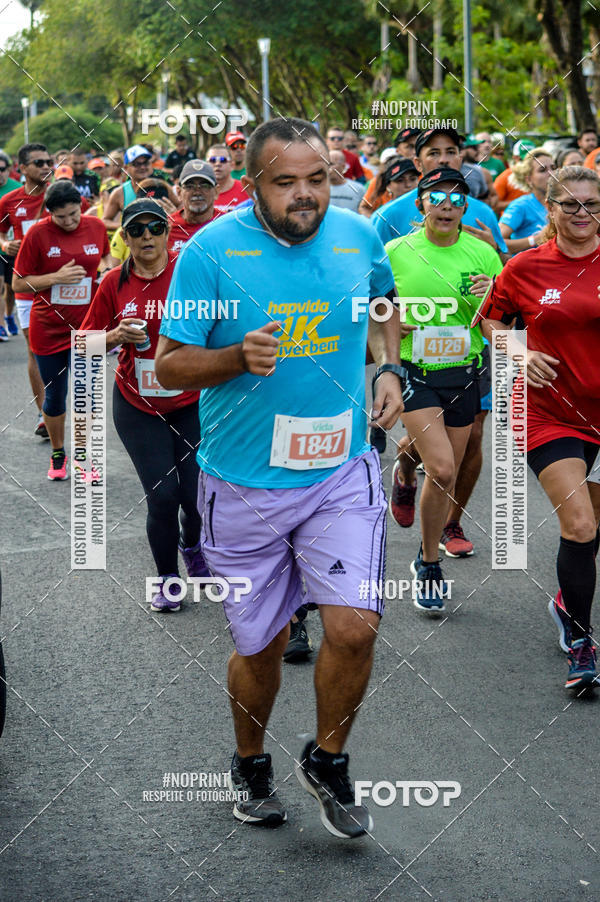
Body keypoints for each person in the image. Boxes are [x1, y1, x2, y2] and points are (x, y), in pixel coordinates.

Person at [155, 116, 404, 837]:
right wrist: (236, 357)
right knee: (260, 645)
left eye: (318, 179)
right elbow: (169, 363)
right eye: (286, 182)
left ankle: (327, 760)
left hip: (341, 468)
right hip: (243, 483)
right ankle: (251, 760)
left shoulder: (359, 235)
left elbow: (383, 300)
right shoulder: (210, 252)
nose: (306, 196)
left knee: (355, 627)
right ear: (254, 184)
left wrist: (387, 365)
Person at [480, 166, 600, 691]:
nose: (582, 213)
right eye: (570, 204)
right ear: (549, 209)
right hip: (548, 411)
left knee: (594, 529)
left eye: (592, 204)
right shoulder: (526, 267)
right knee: (579, 525)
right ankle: (580, 639)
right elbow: (492, 320)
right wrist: (517, 350)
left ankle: (566, 597)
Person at [81, 198, 208, 608]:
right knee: (163, 495)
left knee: (195, 497)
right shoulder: (112, 284)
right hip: (138, 406)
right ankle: (168, 579)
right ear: (125, 238)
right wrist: (116, 336)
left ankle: (193, 547)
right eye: (137, 230)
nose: (147, 236)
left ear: (169, 233)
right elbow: (82, 344)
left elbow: (220, 329)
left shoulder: (190, 275)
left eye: (155, 228)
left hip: (190, 403)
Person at [385, 167, 502, 608]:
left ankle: (419, 538)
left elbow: (499, 320)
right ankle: (431, 563)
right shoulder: (396, 251)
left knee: (445, 471)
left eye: (457, 198)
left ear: (465, 207)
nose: (447, 205)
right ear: (421, 204)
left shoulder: (483, 254)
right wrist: (395, 321)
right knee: (444, 468)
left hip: (464, 370)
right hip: (414, 372)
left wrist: (492, 295)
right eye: (437, 196)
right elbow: (370, 307)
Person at [12, 180, 111, 478]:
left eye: (73, 215)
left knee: (87, 397)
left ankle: (83, 457)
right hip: (50, 329)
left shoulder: (96, 226)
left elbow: (105, 256)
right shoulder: (37, 234)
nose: (68, 222)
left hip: (88, 326)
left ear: (81, 207)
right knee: (55, 396)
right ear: (49, 213)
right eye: (60, 217)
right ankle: (58, 454)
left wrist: (105, 270)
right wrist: (55, 277)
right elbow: (18, 282)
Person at [371, 128, 508, 256]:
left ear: (459, 159)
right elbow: (371, 272)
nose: (444, 160)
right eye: (434, 153)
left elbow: (505, 271)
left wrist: (495, 249)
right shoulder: (388, 216)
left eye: (450, 152)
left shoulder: (483, 213)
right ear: (418, 163)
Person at [0, 143, 54, 434]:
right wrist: (6, 244)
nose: (46, 167)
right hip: (25, 286)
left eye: (48, 162)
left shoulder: (60, 195)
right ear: (22, 169)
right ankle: (44, 413)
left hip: (64, 286)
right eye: (39, 163)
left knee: (76, 352)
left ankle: (63, 408)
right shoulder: (9, 201)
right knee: (35, 351)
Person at [103, 145, 179, 230]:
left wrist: (174, 215)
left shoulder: (162, 185)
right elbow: (105, 221)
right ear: (126, 168)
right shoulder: (120, 193)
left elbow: (180, 206)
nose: (142, 167)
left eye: (145, 163)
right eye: (136, 164)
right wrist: (127, 226)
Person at [499, 149, 554, 254]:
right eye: (542, 170)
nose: (551, 173)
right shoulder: (521, 206)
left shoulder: (562, 204)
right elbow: (496, 242)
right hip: (529, 268)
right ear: (529, 179)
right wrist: (535, 239)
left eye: (553, 168)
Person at [168, 160, 220, 252]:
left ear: (216, 192)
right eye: (189, 186)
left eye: (205, 186)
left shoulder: (228, 224)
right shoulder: (167, 227)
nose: (197, 192)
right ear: (179, 192)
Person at [0, 150, 21, 339]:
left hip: (14, 248)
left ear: (9, 170)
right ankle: (0, 325)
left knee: (11, 289)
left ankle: (8, 316)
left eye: (2, 169)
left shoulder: (18, 189)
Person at [493, 139, 534, 213]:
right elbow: (494, 205)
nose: (528, 162)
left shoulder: (540, 176)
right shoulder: (505, 177)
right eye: (525, 158)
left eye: (532, 158)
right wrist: (521, 202)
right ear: (515, 158)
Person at [205, 144, 248, 214]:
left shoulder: (246, 190)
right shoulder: (200, 192)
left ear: (232, 165)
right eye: (212, 160)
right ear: (205, 165)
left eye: (223, 160)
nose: (217, 164)